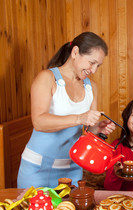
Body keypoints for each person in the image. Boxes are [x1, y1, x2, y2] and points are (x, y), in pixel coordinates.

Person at [17, 32, 116, 188]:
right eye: (92, 62)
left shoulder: (91, 87)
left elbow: (85, 131)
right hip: (37, 169)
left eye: (98, 65)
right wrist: (79, 118)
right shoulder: (47, 78)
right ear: (75, 52)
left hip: (72, 169)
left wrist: (96, 128)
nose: (94, 70)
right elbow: (39, 122)